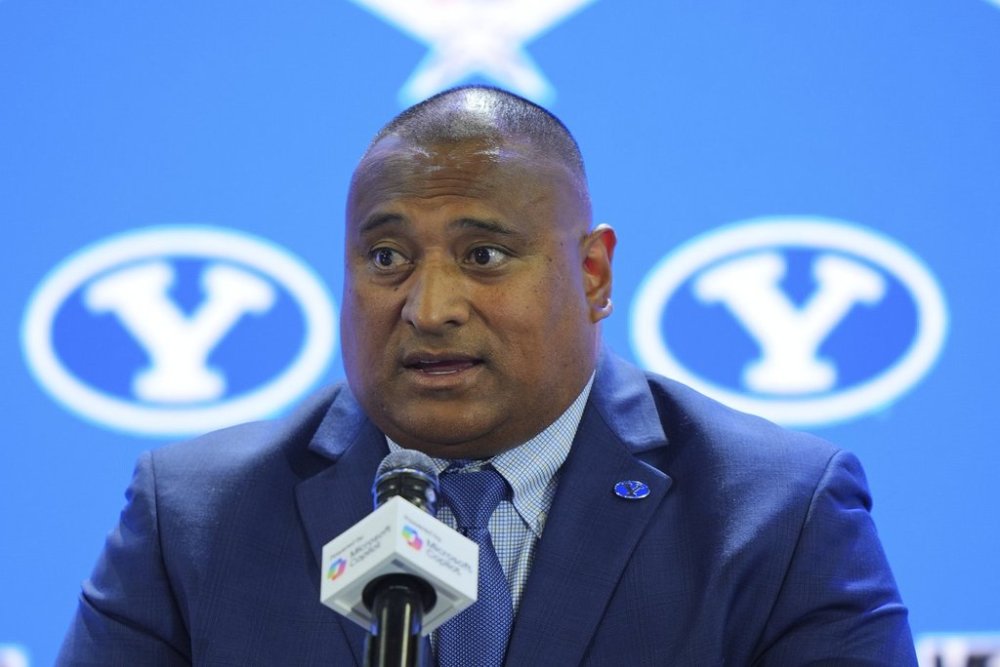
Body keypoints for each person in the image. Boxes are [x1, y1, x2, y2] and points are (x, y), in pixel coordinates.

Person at [58, 85, 917, 665]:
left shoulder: (778, 514)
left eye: (484, 255)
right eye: (386, 256)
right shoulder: (195, 517)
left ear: (593, 275)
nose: (429, 307)